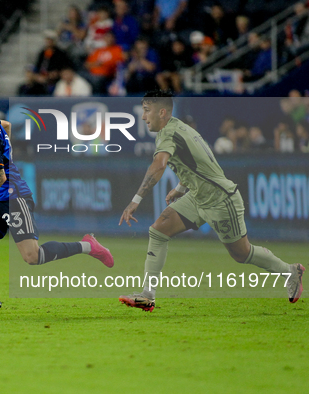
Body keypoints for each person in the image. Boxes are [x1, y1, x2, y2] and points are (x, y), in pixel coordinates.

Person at [118, 90, 304, 311]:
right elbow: (199, 163)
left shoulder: (170, 133)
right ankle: (148, 295)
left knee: (241, 253)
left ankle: (290, 272)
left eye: (146, 111)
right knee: (158, 231)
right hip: (198, 197)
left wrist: (135, 200)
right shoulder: (180, 129)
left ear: (162, 112)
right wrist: (180, 188)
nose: (143, 117)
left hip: (220, 200)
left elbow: (159, 166)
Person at [0, 84, 114, 312]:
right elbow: (5, 125)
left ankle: (88, 246)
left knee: (32, 256)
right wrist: (6, 146)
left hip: (14, 197)